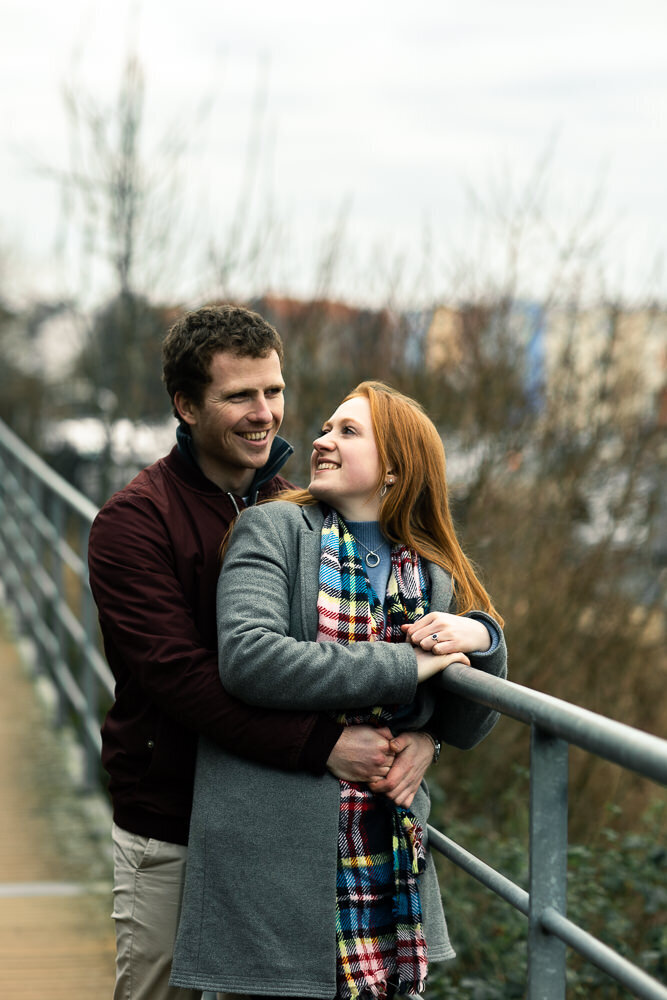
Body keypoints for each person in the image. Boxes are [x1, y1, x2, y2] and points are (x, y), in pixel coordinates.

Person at [88, 308, 426, 1000]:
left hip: (274, 818)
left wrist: (425, 735)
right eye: (240, 395)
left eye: (273, 391)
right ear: (186, 405)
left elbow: (383, 634)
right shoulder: (133, 524)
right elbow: (183, 681)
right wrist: (320, 745)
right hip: (172, 818)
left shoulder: (300, 507)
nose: (265, 413)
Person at [170, 380, 508, 999]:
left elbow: (466, 723)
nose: (322, 441)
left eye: (347, 432)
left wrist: (481, 639)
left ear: (395, 469)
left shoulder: (428, 567)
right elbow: (250, 659)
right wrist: (408, 662)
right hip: (272, 862)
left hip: (386, 860)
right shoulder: (272, 531)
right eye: (326, 428)